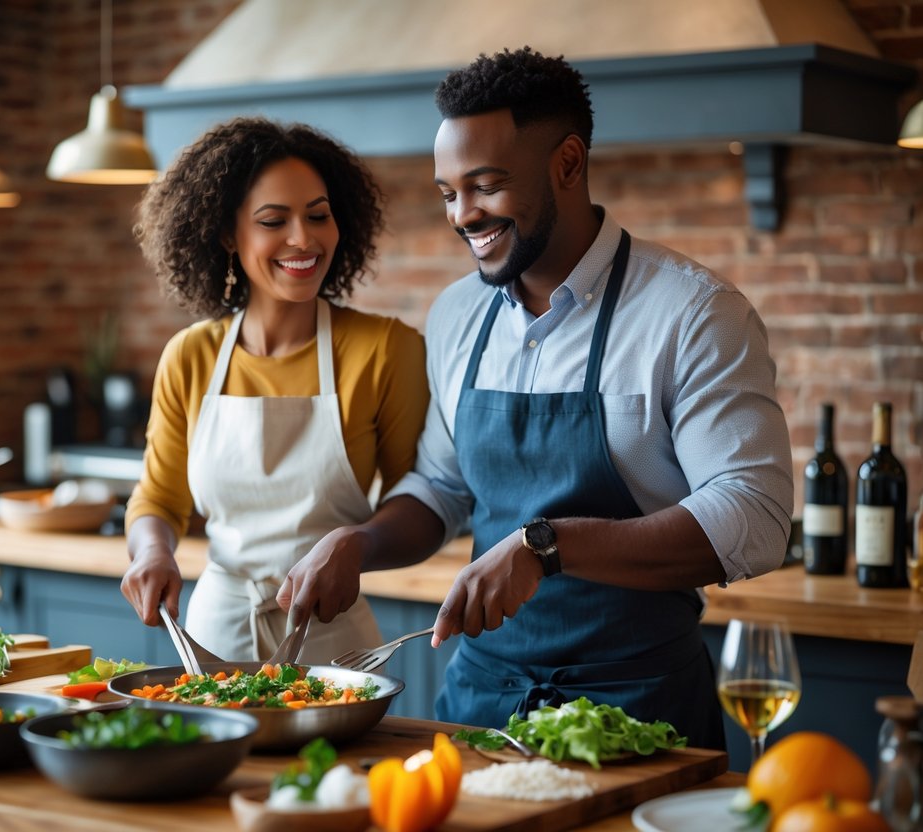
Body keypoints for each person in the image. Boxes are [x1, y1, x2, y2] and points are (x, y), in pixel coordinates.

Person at [277, 47, 793, 749]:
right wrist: (356, 543)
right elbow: (439, 486)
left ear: (569, 164)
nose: (462, 215)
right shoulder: (459, 314)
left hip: (640, 710)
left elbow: (755, 518)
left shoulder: (692, 312)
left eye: (484, 185)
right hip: (481, 705)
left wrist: (547, 546)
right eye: (447, 192)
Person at [121, 117, 429, 665]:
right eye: (273, 220)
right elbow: (159, 500)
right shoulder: (191, 356)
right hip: (214, 635)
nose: (303, 239)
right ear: (225, 234)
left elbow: (423, 500)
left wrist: (354, 546)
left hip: (332, 639)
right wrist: (152, 553)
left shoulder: (384, 349)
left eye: (318, 215)